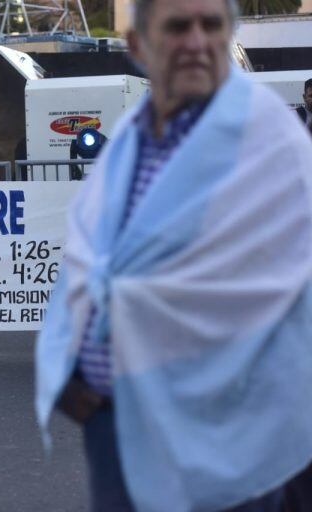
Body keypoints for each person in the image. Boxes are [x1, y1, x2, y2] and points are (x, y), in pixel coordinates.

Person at [35, 1, 312, 511]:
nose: (197, 41)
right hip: (120, 426)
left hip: (222, 432)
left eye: (212, 26)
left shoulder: (267, 143)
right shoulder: (131, 140)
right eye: (178, 27)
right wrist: (75, 378)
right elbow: (95, 260)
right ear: (138, 45)